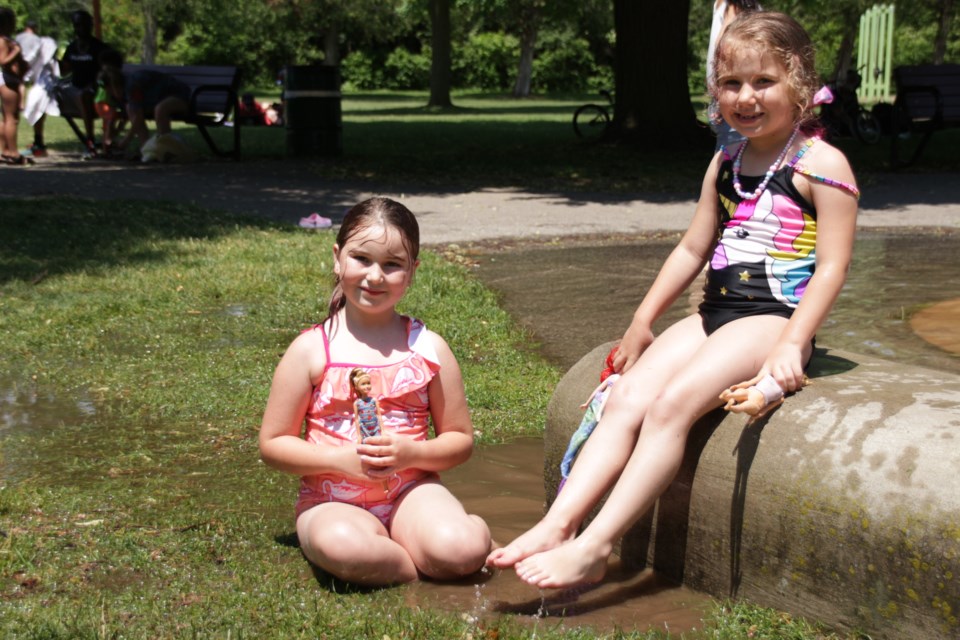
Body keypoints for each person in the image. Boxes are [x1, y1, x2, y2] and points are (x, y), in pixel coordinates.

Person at [487, 11, 860, 589]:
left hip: (771, 319)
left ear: (802, 85)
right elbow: (693, 247)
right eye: (731, 83)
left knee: (671, 406)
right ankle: (559, 524)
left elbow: (833, 267)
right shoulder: (727, 160)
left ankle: (596, 544)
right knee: (628, 395)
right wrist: (642, 321)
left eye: (764, 81)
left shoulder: (821, 165)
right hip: (717, 313)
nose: (746, 97)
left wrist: (791, 345)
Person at [258, 197, 491, 586]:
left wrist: (411, 453)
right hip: (331, 501)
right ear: (338, 258)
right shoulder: (312, 350)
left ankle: (447, 542)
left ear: (412, 271)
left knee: (460, 549)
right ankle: (412, 568)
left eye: (392, 264)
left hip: (412, 492)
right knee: (345, 547)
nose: (375, 276)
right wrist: (339, 460)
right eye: (362, 259)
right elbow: (273, 444)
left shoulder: (428, 349)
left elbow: (460, 441)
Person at [97, 49, 191, 161]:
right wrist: (111, 136)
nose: (110, 95)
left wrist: (125, 142)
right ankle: (145, 150)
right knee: (130, 109)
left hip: (181, 97)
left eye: (110, 91)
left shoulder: (132, 86)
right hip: (156, 101)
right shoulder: (125, 91)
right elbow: (131, 114)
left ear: (114, 86)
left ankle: (165, 149)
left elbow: (138, 118)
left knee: (160, 109)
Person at [706, 0, 762, 151]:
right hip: (731, 94)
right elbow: (724, 44)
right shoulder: (733, 4)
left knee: (732, 156)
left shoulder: (734, 4)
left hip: (730, 94)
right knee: (733, 157)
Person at [58, 9, 110, 154]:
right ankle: (38, 142)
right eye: (77, 25)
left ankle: (90, 140)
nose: (80, 28)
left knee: (84, 96)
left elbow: (107, 71)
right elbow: (64, 70)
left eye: (83, 24)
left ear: (90, 25)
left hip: (94, 91)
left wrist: (98, 82)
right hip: (73, 88)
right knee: (45, 93)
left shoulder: (99, 48)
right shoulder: (72, 47)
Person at [18, 19, 57, 157]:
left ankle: (38, 142)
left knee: (37, 104)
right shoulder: (36, 40)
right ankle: (37, 142)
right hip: (36, 80)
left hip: (40, 81)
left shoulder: (19, 38)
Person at [0, 6, 29, 164]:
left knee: (5, 118)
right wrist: (16, 51)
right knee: (12, 118)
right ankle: (13, 152)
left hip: (9, 79)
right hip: (7, 80)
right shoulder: (4, 41)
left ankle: (4, 150)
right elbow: (3, 61)